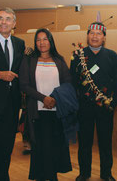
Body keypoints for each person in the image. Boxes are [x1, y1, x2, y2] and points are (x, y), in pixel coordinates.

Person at [70, 22, 117, 181]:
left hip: (105, 107)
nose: (95, 36)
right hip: (84, 107)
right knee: (84, 143)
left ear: (104, 37)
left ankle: (106, 174)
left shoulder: (112, 55)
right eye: (92, 33)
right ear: (87, 36)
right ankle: (84, 173)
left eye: (98, 33)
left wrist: (114, 103)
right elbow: (72, 81)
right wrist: (75, 103)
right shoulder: (78, 54)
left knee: (106, 143)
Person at [19, 28, 72, 181]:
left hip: (56, 110)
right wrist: (44, 98)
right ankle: (42, 177)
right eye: (38, 40)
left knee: (55, 146)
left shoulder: (59, 59)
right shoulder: (29, 60)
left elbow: (67, 83)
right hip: (37, 111)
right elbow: (24, 85)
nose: (41, 43)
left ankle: (52, 175)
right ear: (35, 43)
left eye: (45, 39)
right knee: (40, 147)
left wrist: (54, 98)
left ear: (51, 41)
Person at [0, 7, 25, 181]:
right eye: (0, 18)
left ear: (14, 23)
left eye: (8, 19)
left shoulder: (19, 43)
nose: (3, 22)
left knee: (7, 145)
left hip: (12, 105)